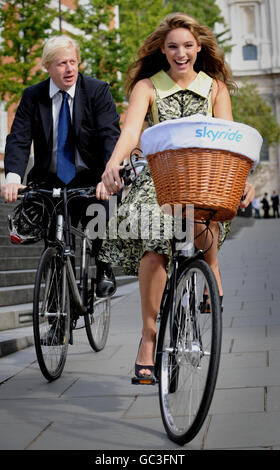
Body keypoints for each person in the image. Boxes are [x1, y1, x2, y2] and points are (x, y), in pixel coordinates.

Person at [98, 13, 255, 381]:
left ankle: (211, 263)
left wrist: (247, 178)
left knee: (208, 207)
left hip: (205, 174)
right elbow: (131, 130)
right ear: (163, 51)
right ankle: (149, 339)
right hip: (158, 177)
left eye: (187, 46)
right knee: (155, 241)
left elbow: (231, 139)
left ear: (198, 48)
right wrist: (113, 163)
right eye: (173, 47)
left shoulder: (214, 87)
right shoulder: (147, 87)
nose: (180, 53)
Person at [2, 35, 120, 299]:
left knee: (97, 216)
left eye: (72, 62)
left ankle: (103, 266)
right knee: (55, 245)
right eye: (61, 64)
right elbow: (19, 137)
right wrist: (12, 177)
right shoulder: (33, 96)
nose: (69, 69)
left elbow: (110, 135)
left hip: (91, 178)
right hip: (50, 180)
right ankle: (57, 321)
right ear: (47, 66)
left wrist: (108, 176)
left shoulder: (96, 91)